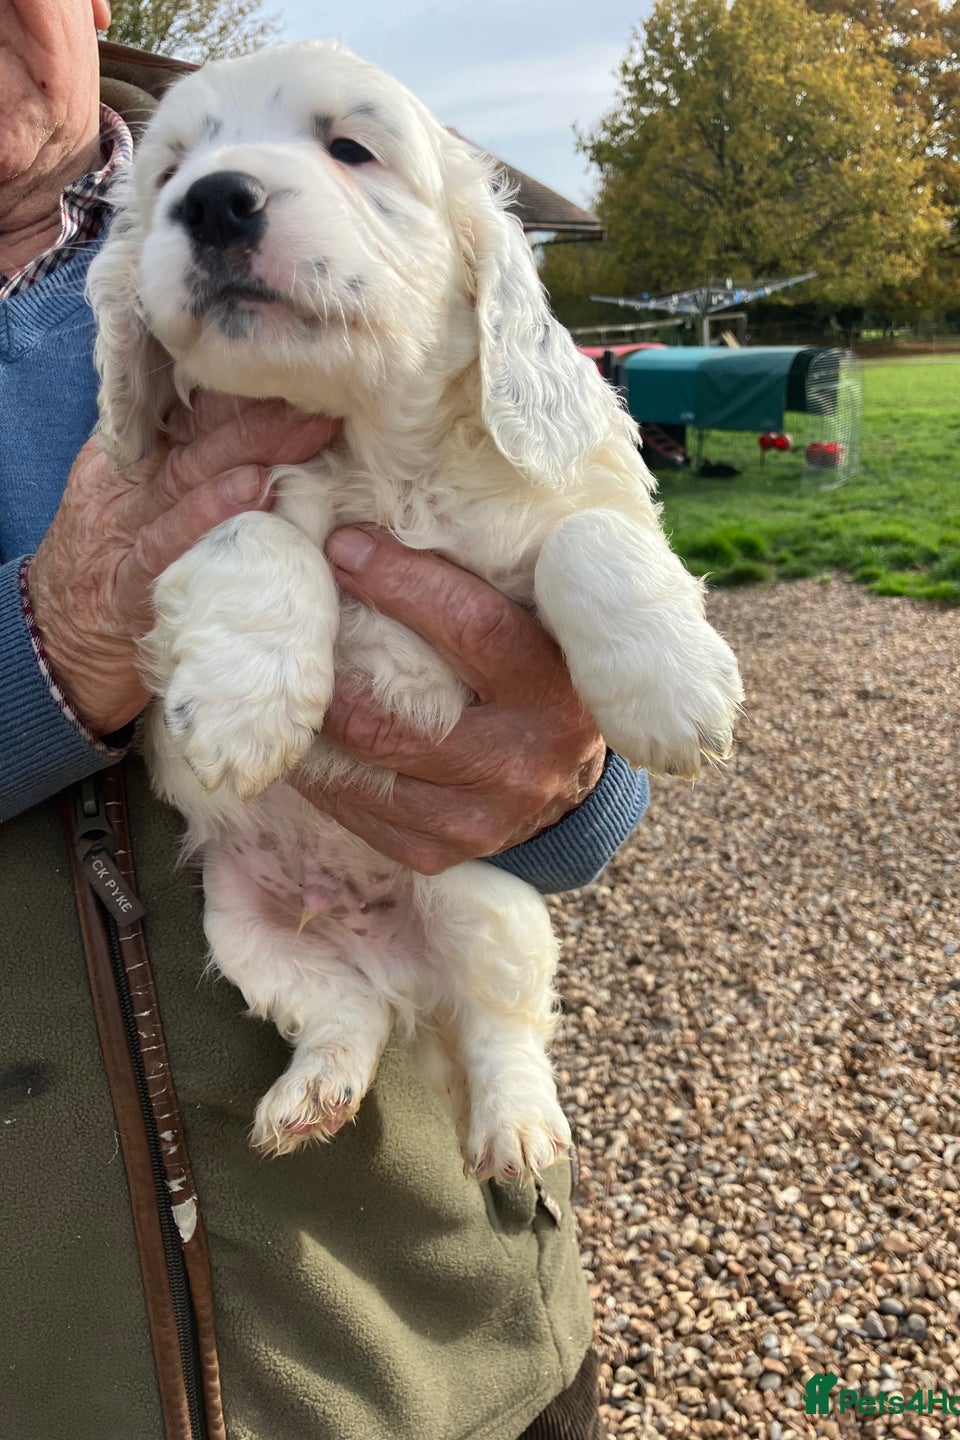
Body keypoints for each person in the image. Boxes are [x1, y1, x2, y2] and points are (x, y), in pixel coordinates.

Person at [0, 5, 648, 1437]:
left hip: (426, 1334)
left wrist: (565, 772)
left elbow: (553, 575)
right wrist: (47, 643)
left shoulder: (374, 202)